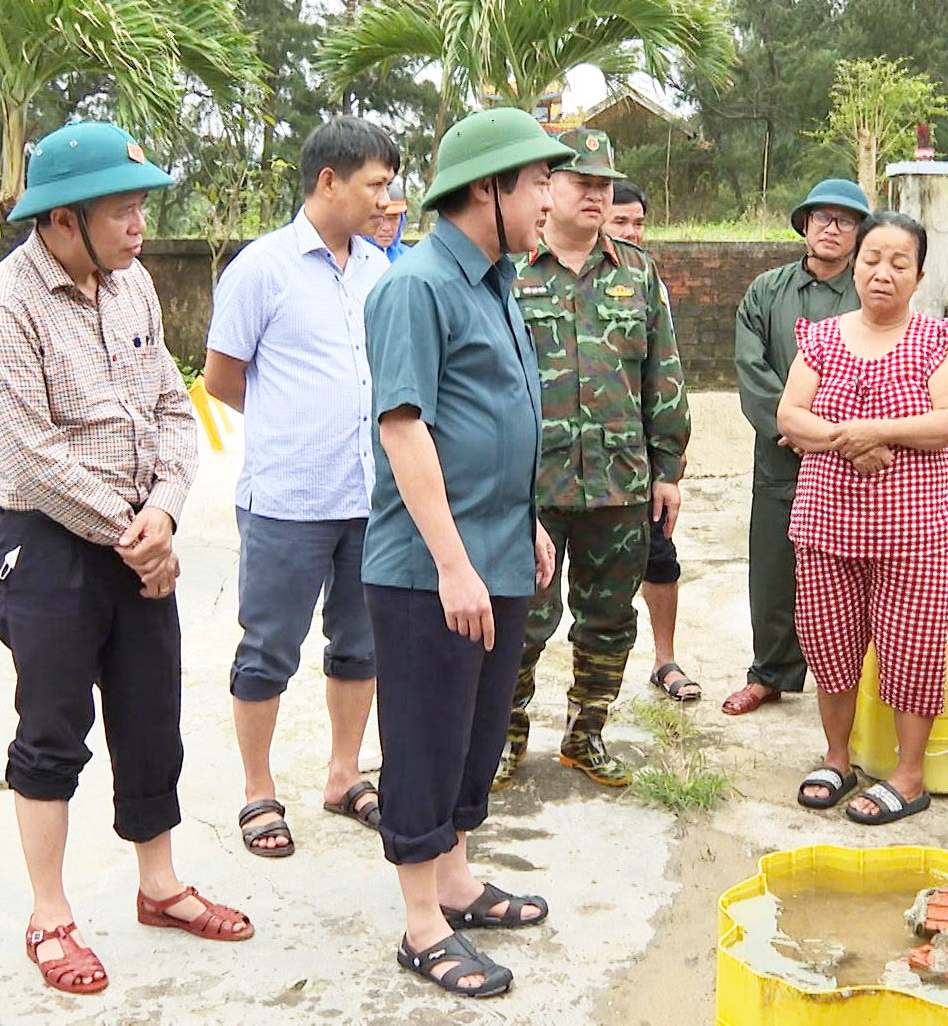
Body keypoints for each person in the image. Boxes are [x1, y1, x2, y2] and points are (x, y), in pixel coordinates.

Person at [0, 121, 252, 996]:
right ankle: (50, 916)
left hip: (138, 540)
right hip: (49, 548)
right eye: (122, 211)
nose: (139, 227)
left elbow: (174, 402)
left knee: (151, 718)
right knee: (52, 733)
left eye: (138, 210)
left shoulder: (134, 289)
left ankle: (158, 885)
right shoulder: (1, 308)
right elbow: (31, 453)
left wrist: (162, 513)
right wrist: (136, 535)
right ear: (60, 220)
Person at [362, 108, 570, 997]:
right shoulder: (418, 287)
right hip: (427, 567)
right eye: (537, 184)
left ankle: (456, 878)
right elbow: (404, 428)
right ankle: (420, 924)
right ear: (487, 190)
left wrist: (520, 520)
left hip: (495, 550)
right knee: (424, 737)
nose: (550, 200)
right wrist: (451, 560)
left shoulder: (493, 282)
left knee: (474, 737)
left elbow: (495, 417)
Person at [204, 118, 400, 857]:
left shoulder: (380, 271)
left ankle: (343, 775)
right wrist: (292, 420)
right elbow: (222, 376)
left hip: (369, 496)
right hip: (288, 498)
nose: (388, 199)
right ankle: (258, 790)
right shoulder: (262, 268)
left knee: (359, 643)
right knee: (268, 647)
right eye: (376, 183)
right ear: (328, 181)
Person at [497, 129, 691, 789]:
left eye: (604, 184)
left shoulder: (639, 272)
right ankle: (504, 739)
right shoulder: (511, 271)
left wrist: (669, 470)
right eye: (582, 181)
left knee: (609, 621)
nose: (596, 194)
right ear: (548, 186)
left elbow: (664, 377)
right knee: (521, 621)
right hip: (532, 489)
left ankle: (587, 735)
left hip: (620, 485)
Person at [776, 211, 948, 824]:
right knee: (829, 644)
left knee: (911, 651)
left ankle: (908, 776)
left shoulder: (937, 341)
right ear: (854, 266)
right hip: (827, 526)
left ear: (917, 276)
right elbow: (790, 416)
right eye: (871, 259)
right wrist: (849, 439)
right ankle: (837, 758)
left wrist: (874, 430)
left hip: (912, 533)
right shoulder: (823, 338)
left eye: (898, 263)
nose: (882, 273)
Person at [725, 179, 870, 716]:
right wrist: (790, 427)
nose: (832, 228)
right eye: (822, 218)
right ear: (804, 225)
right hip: (781, 454)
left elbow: (881, 370)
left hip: (855, 457)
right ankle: (770, 673)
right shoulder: (766, 291)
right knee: (772, 566)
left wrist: (833, 435)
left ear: (860, 233)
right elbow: (751, 366)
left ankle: (861, 679)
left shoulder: (869, 293)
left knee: (855, 570)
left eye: (846, 220)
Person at [604, 179, 700, 703]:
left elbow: (665, 375)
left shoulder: (646, 281)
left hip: (638, 458)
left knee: (658, 555)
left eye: (639, 222)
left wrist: (669, 462)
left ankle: (665, 660)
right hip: (564, 465)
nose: (632, 231)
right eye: (621, 222)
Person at [371, 182, 411, 261]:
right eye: (379, 217)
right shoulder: (348, 261)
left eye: (394, 218)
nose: (386, 228)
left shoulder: (411, 258)